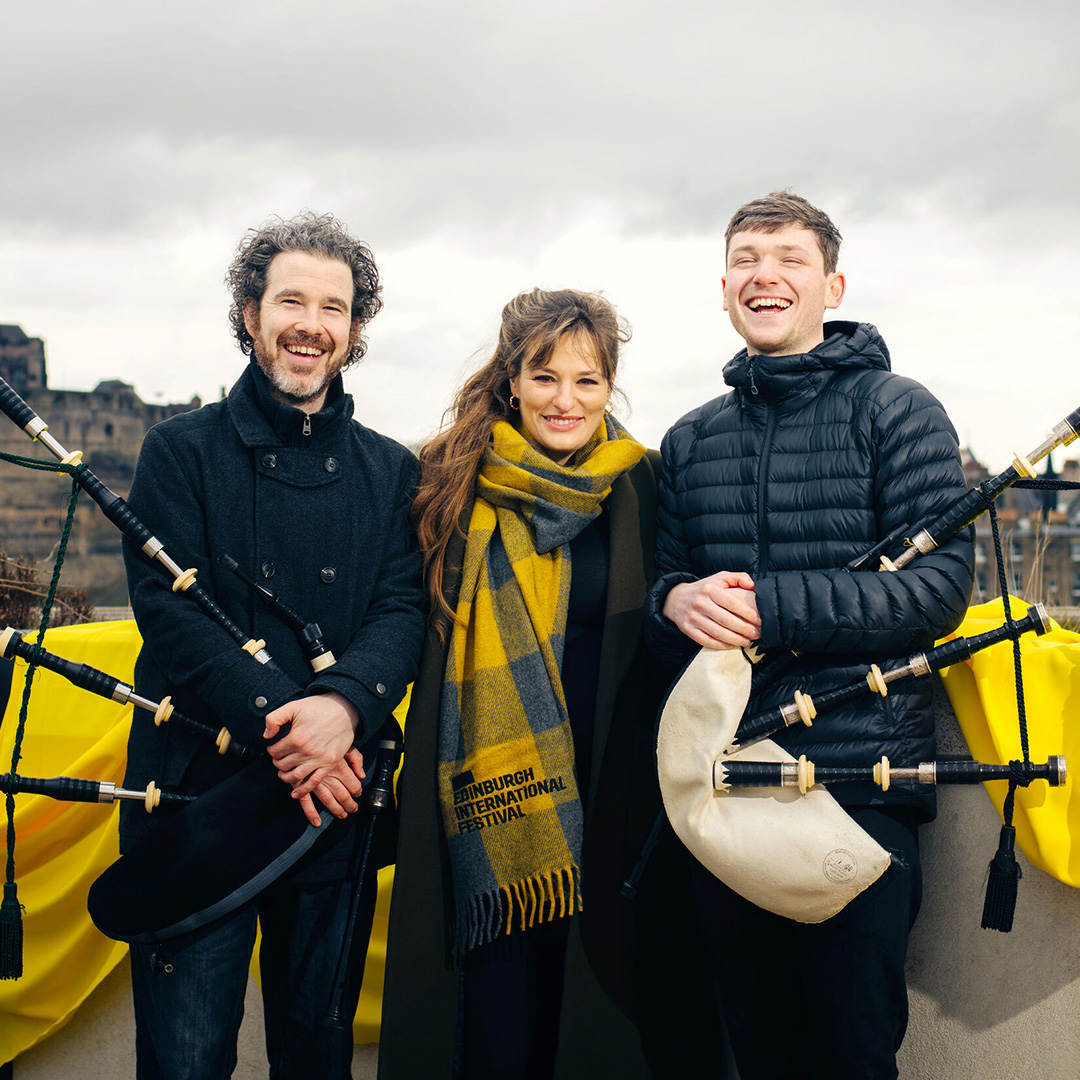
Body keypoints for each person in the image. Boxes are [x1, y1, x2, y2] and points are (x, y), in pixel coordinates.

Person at [644, 192, 975, 1080]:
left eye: (788, 257)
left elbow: (941, 591)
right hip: (727, 785)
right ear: (723, 288)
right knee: (758, 1051)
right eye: (747, 258)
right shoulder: (687, 441)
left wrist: (769, 607)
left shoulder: (899, 410)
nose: (765, 273)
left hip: (859, 780)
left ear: (831, 285)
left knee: (851, 1054)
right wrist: (673, 601)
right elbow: (667, 593)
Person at [379, 289, 727, 1079]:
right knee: (495, 1009)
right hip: (485, 789)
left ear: (611, 388)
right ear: (511, 379)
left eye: (587, 381)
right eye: (544, 378)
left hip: (613, 786)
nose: (565, 401)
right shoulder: (445, 479)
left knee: (593, 1002)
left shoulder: (641, 483)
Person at [118, 212, 425, 1079]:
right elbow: (170, 614)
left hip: (331, 814)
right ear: (250, 312)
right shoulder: (178, 452)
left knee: (315, 1057)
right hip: (198, 803)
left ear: (354, 331)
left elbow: (403, 611)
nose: (311, 324)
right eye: (291, 299)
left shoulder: (393, 472)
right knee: (185, 1061)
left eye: (333, 308)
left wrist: (345, 708)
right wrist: (299, 731)